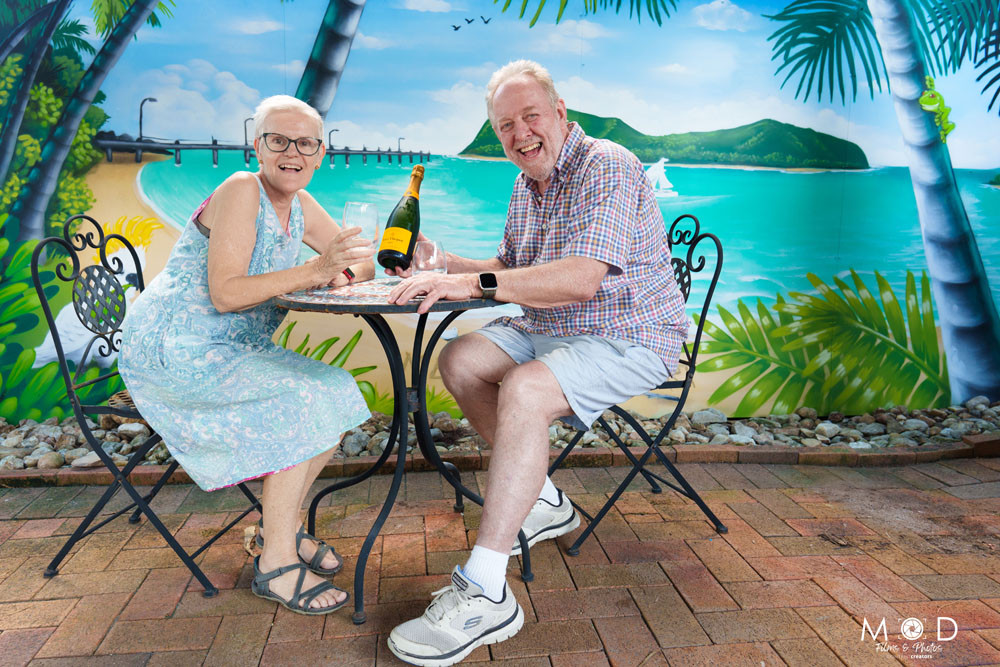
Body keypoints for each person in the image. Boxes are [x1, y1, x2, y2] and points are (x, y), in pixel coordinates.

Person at [384, 60, 689, 664]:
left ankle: (488, 589)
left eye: (530, 117)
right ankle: (543, 498)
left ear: (560, 115)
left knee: (524, 388)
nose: (520, 134)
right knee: (461, 360)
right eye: (505, 127)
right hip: (549, 327)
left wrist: (471, 289)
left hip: (630, 333)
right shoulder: (527, 183)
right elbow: (509, 268)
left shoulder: (607, 165)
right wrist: (443, 264)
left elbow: (578, 280)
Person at [119, 95, 374, 616]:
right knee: (301, 399)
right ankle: (275, 564)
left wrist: (340, 269)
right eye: (278, 140)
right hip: (177, 350)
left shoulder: (300, 205)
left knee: (339, 390)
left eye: (305, 143)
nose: (292, 153)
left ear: (321, 153)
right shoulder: (241, 189)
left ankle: (283, 528)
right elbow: (226, 294)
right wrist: (316, 270)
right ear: (256, 146)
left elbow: (358, 261)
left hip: (233, 349)